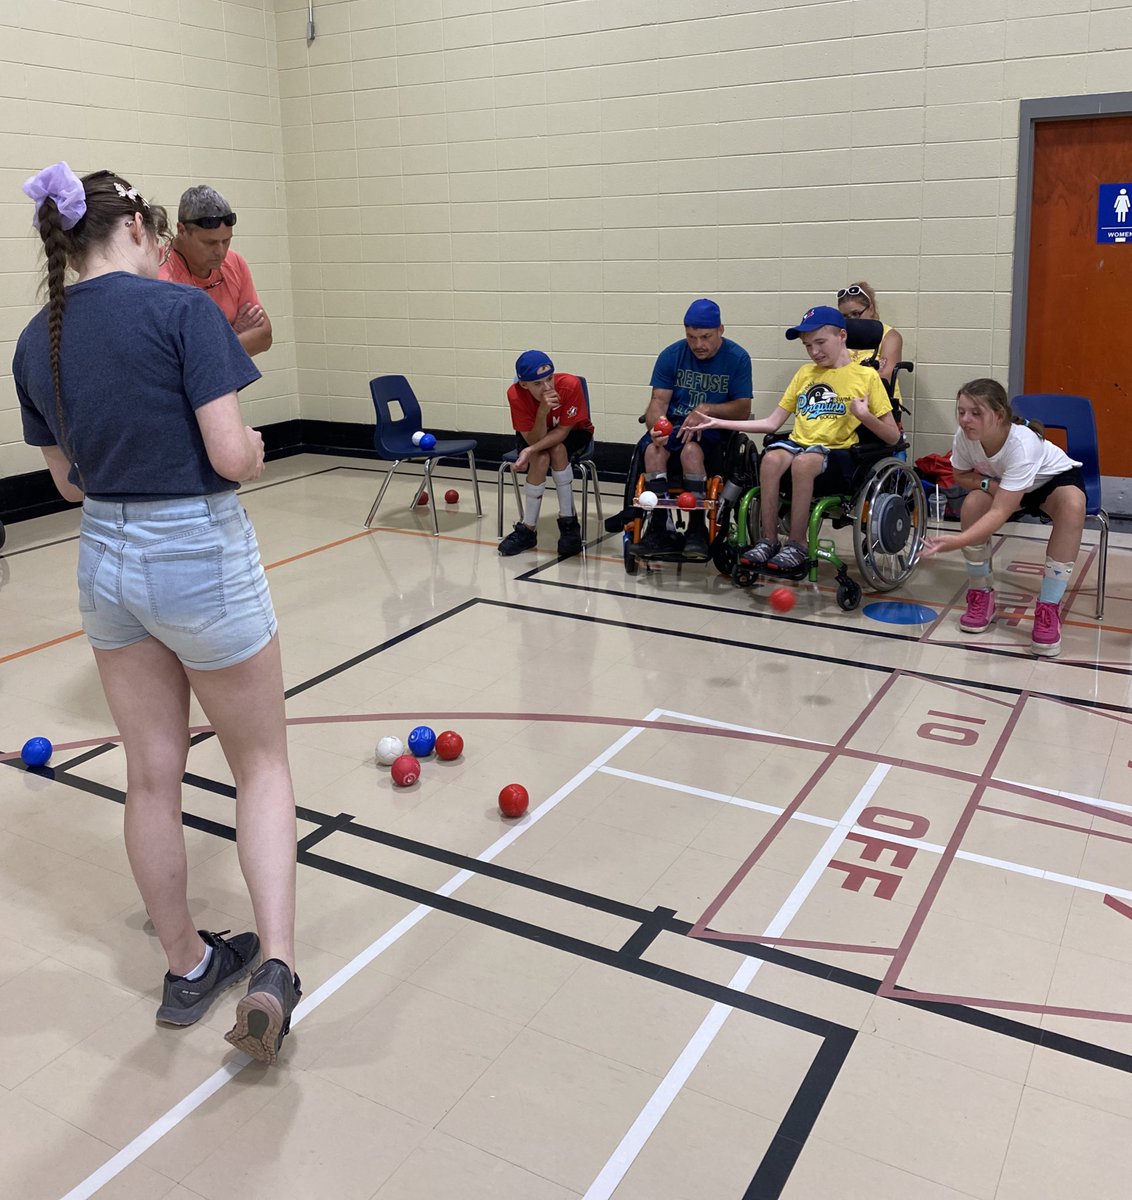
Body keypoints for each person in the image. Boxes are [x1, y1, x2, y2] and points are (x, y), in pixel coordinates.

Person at [14, 163, 299, 1065]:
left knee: (150, 776)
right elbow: (231, 454)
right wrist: (252, 445)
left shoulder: (36, 340)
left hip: (105, 559)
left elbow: (68, 483)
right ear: (137, 228)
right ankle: (275, 971)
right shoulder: (184, 314)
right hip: (198, 552)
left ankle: (187, 965)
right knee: (261, 767)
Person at [693, 305, 901, 575]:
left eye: (820, 343)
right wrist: (718, 421)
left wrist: (865, 416)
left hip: (837, 453)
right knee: (770, 459)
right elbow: (772, 422)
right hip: (797, 445)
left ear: (842, 336)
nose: (814, 352)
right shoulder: (805, 374)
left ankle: (797, 544)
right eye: (807, 346)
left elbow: (894, 436)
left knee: (803, 463)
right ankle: (768, 540)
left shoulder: (866, 376)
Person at [920, 378, 1085, 657]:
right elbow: (960, 475)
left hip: (1050, 483)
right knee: (972, 504)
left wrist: (957, 541)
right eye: (961, 411)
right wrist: (989, 486)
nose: (965, 419)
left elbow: (1000, 511)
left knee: (1073, 505)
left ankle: (1048, 608)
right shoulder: (964, 438)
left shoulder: (1022, 444)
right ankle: (981, 594)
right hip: (1003, 484)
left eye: (975, 413)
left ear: (998, 416)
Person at [636, 298, 753, 561]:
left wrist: (707, 410)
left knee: (691, 451)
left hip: (712, 429)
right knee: (654, 450)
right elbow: (658, 402)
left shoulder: (737, 358)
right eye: (692, 337)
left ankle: (697, 528)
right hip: (676, 425)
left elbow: (742, 409)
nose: (698, 344)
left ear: (720, 330)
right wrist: (656, 427)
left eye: (705, 337)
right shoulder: (671, 355)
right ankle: (659, 525)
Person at [498, 350, 593, 558]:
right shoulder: (515, 394)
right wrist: (542, 411)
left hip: (574, 431)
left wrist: (529, 450)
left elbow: (562, 432)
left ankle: (569, 524)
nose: (547, 387)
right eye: (538, 384)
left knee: (557, 450)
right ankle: (528, 529)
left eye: (549, 379)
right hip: (534, 433)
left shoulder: (570, 385)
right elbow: (533, 439)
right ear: (524, 385)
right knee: (540, 458)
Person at [159, 184, 272, 357]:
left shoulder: (234, 262)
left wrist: (213, 348)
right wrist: (233, 333)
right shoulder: (159, 273)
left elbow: (264, 336)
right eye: (209, 243)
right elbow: (178, 360)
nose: (220, 252)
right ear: (182, 230)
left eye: (226, 241)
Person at [836, 281, 904, 398]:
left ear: (871, 309)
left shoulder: (890, 336)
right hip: (842, 401)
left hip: (880, 401)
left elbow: (884, 379)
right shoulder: (839, 336)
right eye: (845, 316)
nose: (851, 320)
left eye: (856, 313)